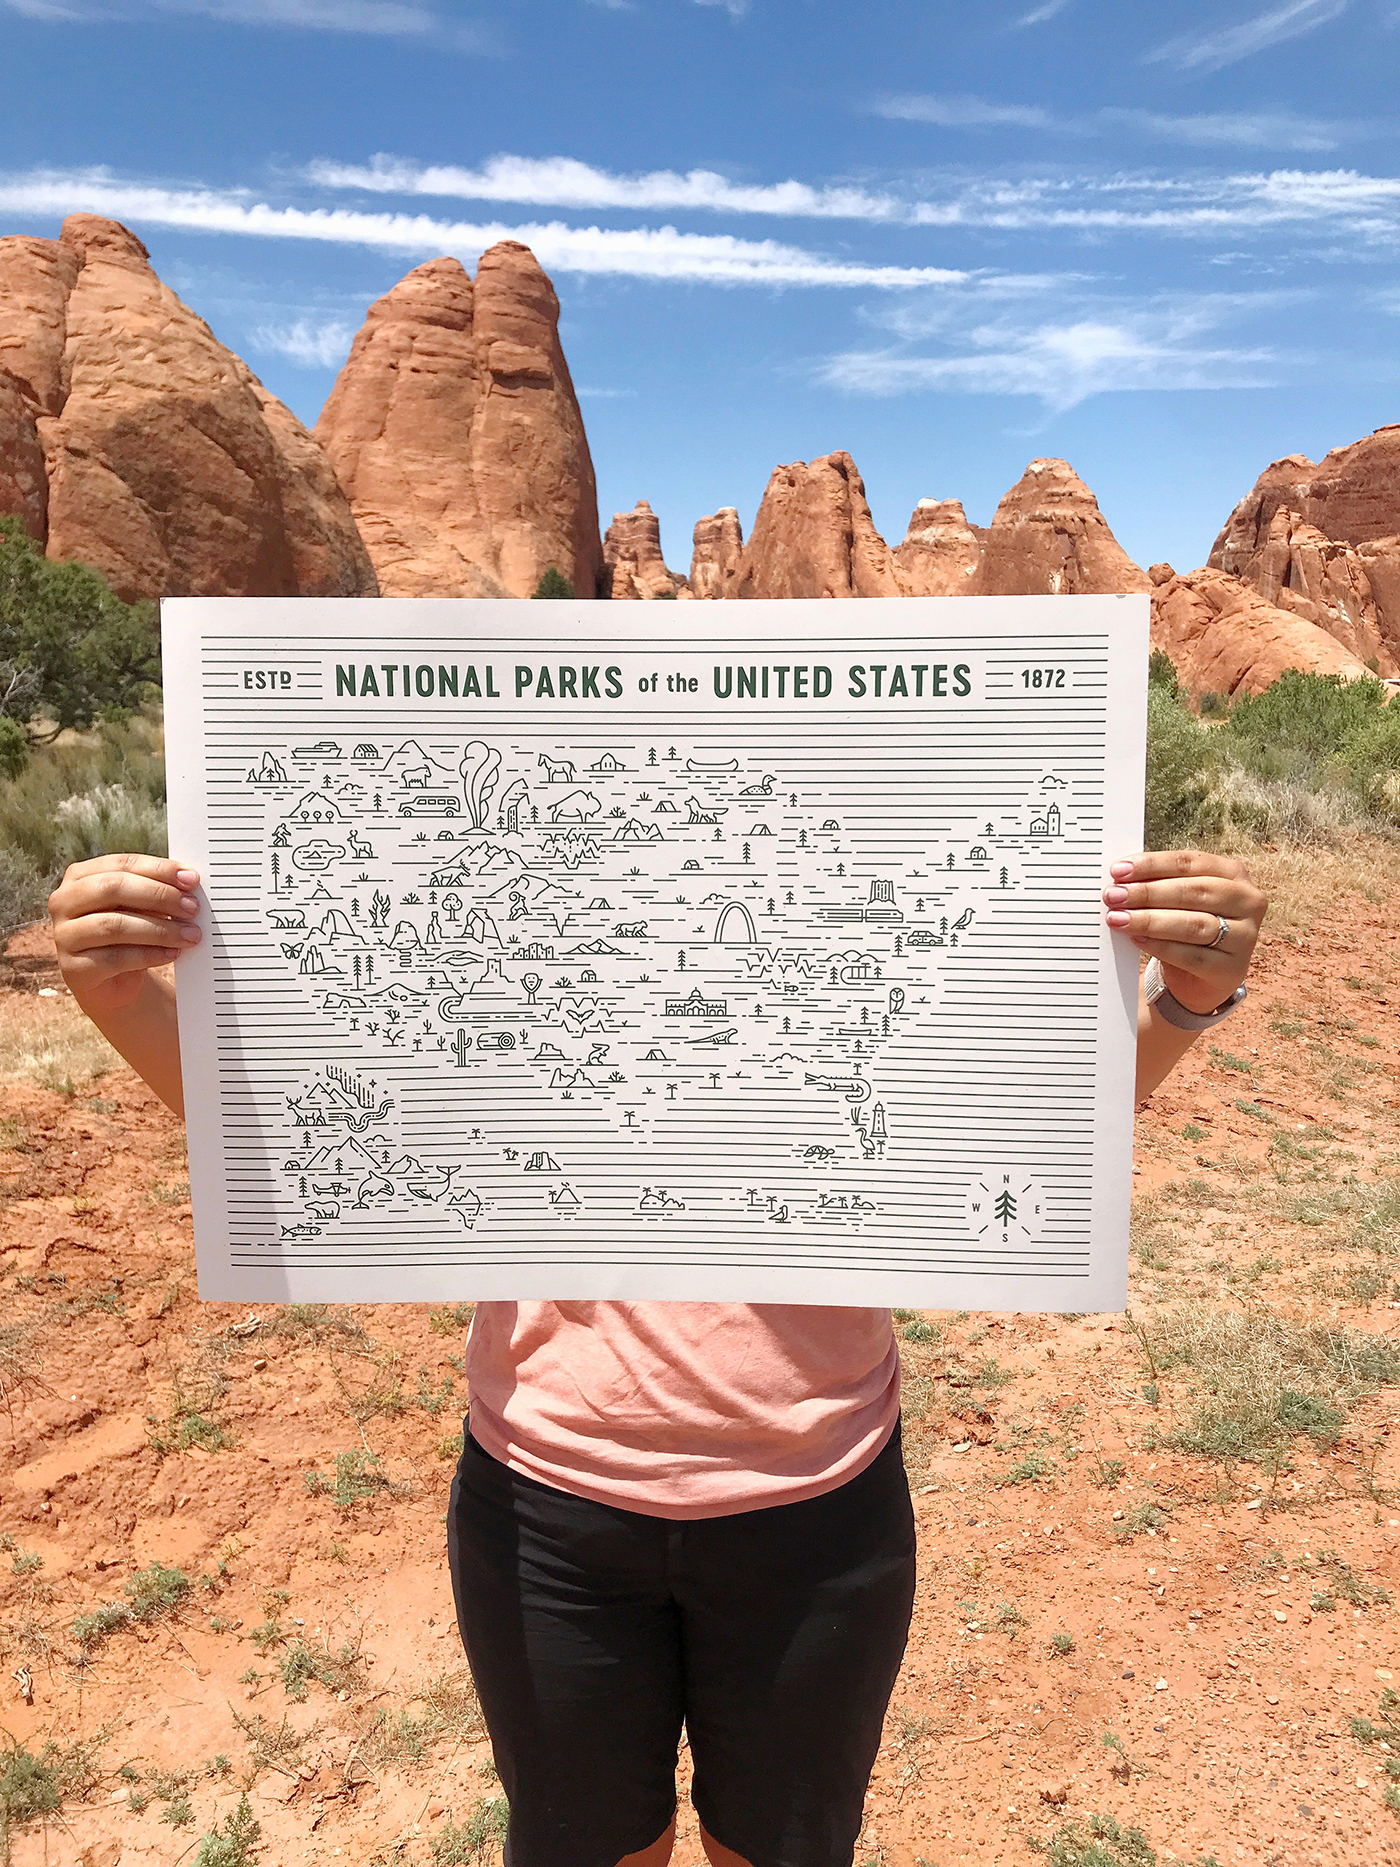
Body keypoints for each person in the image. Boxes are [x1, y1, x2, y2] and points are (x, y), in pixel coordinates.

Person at [49, 844, 1266, 1867]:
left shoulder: (849, 922)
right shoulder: (513, 917)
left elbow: (1023, 1129)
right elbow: (303, 1131)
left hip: (817, 1510)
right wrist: (115, 993)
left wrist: (1182, 1002)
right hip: (546, 1509)